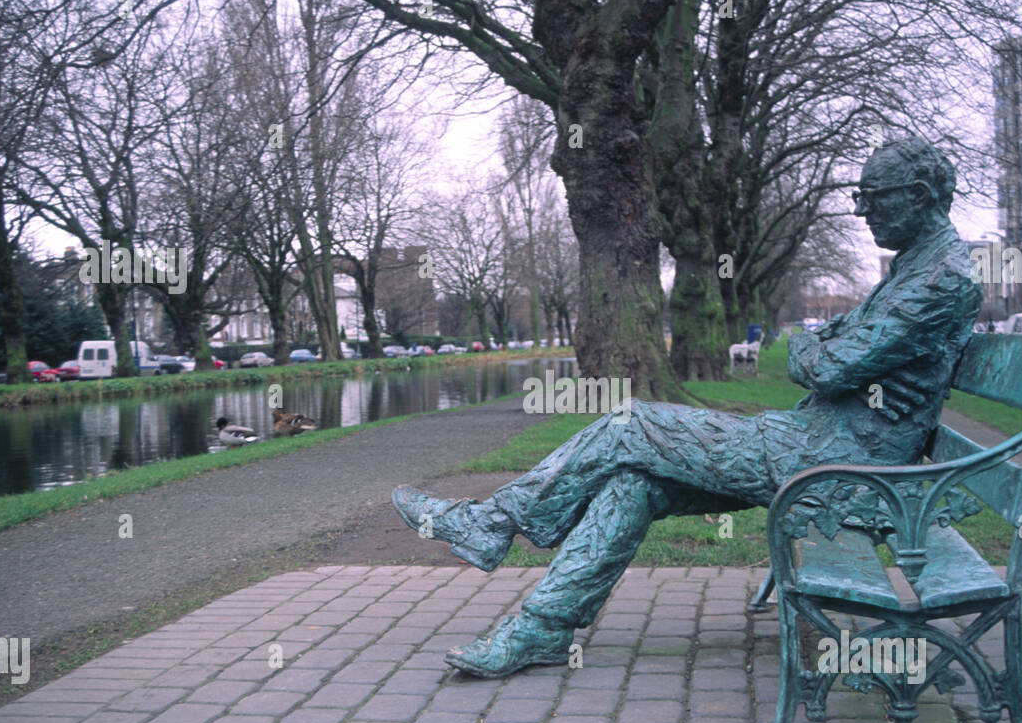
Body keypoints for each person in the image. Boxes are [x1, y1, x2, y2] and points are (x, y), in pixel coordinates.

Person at [393, 136, 982, 678]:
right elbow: (827, 354)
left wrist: (832, 360)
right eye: (861, 197)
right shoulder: (916, 266)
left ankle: (490, 523)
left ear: (920, 196)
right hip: (817, 442)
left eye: (872, 198)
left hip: (840, 471)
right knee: (632, 481)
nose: (862, 210)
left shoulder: (941, 276)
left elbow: (824, 363)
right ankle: (541, 629)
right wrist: (833, 359)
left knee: (633, 423)